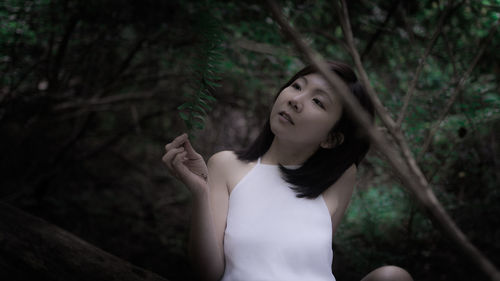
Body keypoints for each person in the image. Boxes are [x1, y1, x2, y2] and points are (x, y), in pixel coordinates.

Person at [162, 61, 413, 281]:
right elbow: (209, 272)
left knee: (393, 276)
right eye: (297, 86)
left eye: (317, 101)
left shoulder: (340, 177)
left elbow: (312, 264)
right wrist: (200, 192)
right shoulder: (226, 165)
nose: (295, 100)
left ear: (332, 139)